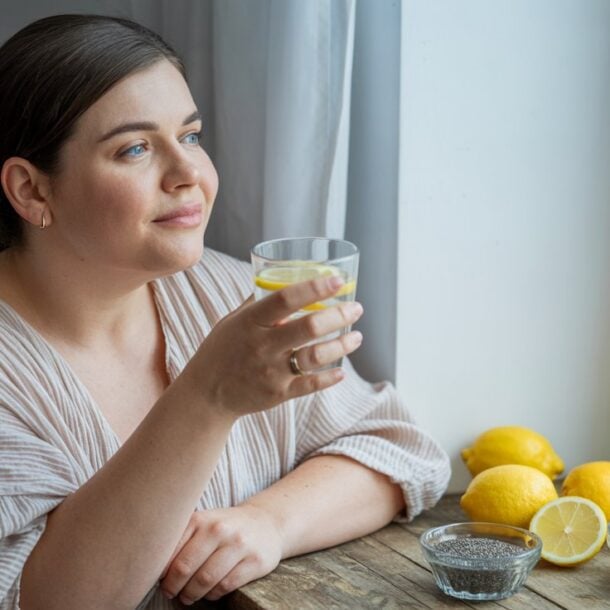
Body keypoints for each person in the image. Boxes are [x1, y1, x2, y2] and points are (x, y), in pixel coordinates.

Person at [0, 14, 450, 610]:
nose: (191, 174)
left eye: (190, 136)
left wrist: (270, 523)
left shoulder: (226, 289)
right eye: (134, 149)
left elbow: (398, 450)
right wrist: (208, 394)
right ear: (32, 190)